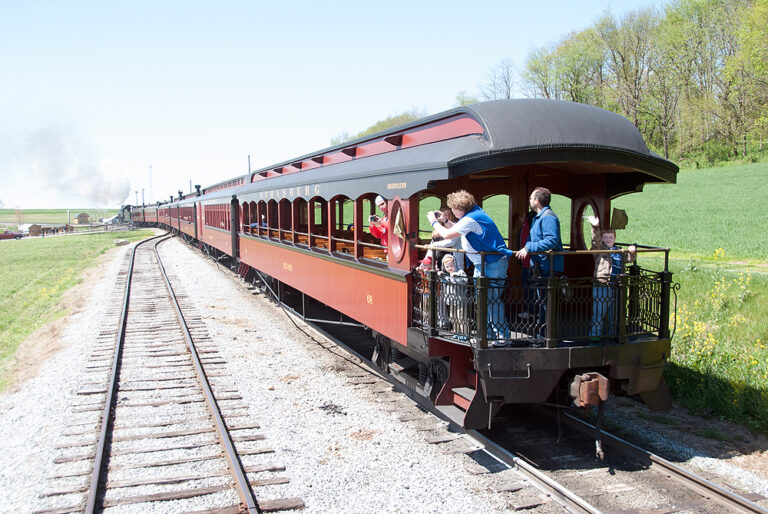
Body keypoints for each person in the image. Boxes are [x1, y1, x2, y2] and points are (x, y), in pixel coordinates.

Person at [427, 190, 513, 345]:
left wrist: (434, 221)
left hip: (492, 264)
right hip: (484, 263)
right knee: (484, 300)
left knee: (491, 300)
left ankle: (502, 336)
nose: (452, 211)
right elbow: (459, 229)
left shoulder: (472, 218)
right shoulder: (474, 214)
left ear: (459, 209)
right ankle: (487, 335)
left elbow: (448, 235)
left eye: (452, 209)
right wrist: (445, 220)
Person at [515, 187, 563, 336]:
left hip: (547, 266)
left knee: (546, 303)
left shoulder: (547, 217)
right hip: (540, 265)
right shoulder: (538, 217)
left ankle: (545, 335)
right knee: (543, 302)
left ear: (536, 201)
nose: (529, 201)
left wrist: (529, 247)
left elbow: (552, 240)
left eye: (530, 198)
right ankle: (543, 334)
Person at [588, 215, 636, 338]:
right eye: (605, 237)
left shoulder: (619, 250)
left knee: (614, 314)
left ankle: (612, 335)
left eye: (611, 237)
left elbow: (629, 260)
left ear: (614, 238)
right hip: (603, 284)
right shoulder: (599, 250)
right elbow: (595, 240)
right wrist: (595, 226)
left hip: (617, 285)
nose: (608, 239)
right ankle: (594, 336)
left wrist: (632, 251)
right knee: (599, 313)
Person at [419, 207, 464, 272]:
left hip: (454, 262)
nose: (448, 216)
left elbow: (451, 242)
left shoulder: (456, 226)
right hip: (440, 261)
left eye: (449, 214)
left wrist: (434, 245)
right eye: (445, 214)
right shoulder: (438, 229)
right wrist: (424, 262)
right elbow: (431, 248)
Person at [438, 254, 469, 339]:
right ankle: (457, 331)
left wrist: (456, 277)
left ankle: (464, 333)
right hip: (451, 300)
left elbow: (465, 281)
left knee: (461, 316)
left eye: (451, 265)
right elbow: (444, 281)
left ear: (455, 264)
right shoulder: (447, 275)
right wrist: (441, 276)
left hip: (460, 300)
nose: (449, 268)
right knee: (453, 316)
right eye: (447, 266)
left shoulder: (460, 272)